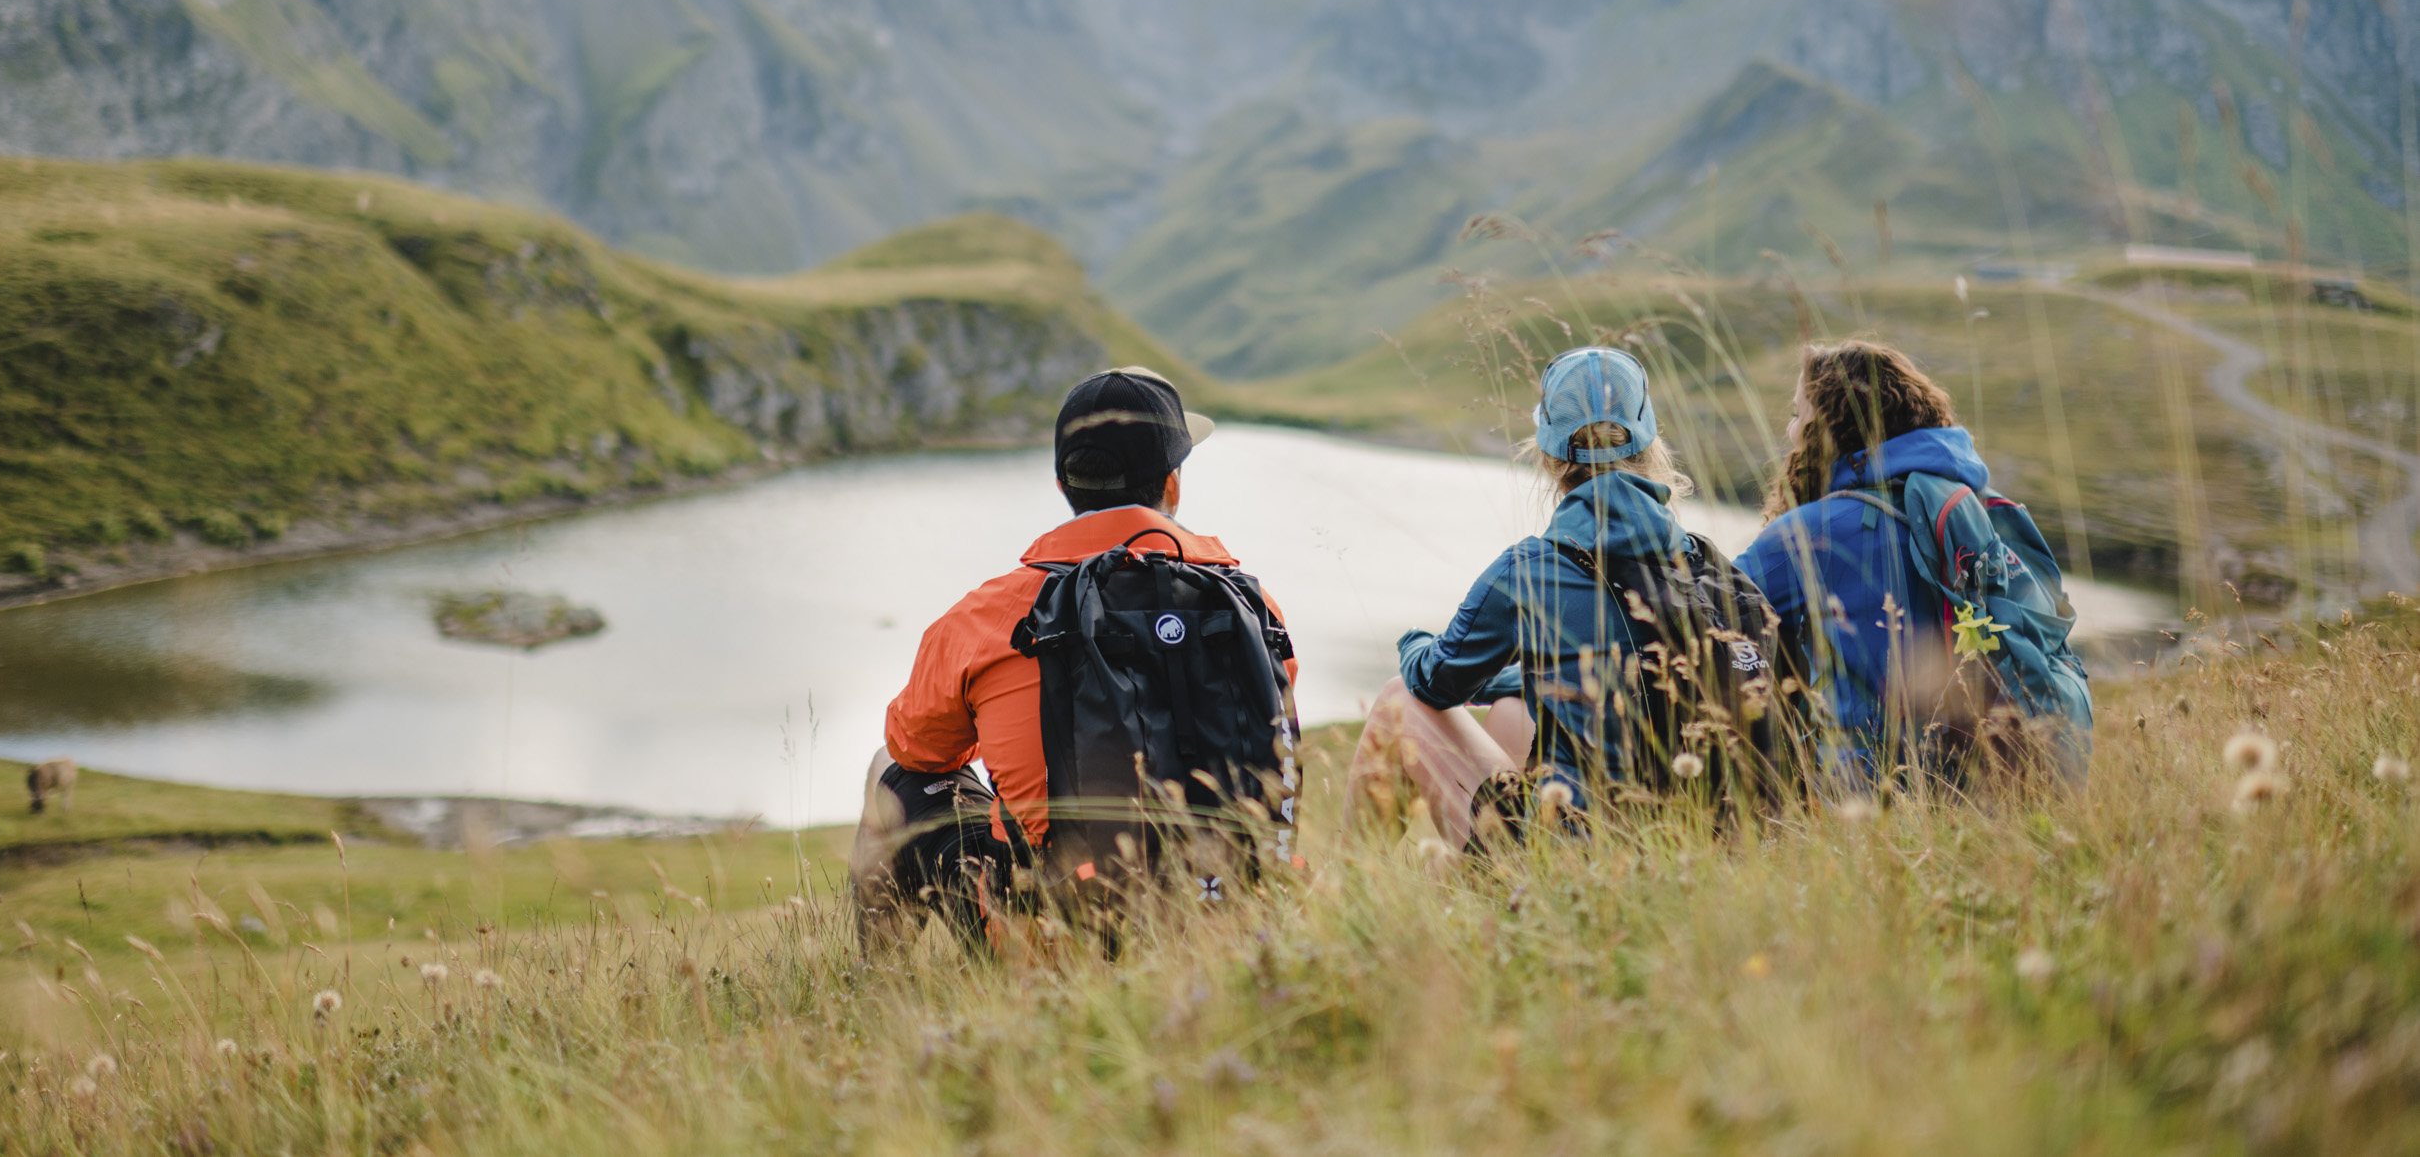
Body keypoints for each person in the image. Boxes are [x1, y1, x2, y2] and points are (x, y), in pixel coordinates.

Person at [851, 365, 1294, 945]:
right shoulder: (1251, 608)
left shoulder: (987, 615)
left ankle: (879, 987)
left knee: (889, 768)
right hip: (1228, 913)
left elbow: (921, 750)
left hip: (1051, 927)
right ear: (1173, 485)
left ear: (1064, 486)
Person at [1346, 346, 1782, 848]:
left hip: (1579, 856)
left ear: (1551, 457)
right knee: (1511, 707)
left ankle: (1345, 898)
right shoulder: (1705, 562)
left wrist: (1413, 643)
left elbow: (1438, 683)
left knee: (1397, 698)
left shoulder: (1530, 570)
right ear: (1651, 444)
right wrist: (1523, 678)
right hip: (1706, 850)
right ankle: (1456, 893)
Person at [1733, 339, 2089, 782]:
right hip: (2000, 780)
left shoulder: (1813, 531)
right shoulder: (1980, 509)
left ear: (1827, 427)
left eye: (1796, 414)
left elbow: (1708, 608)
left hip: (1874, 797)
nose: (1789, 431)